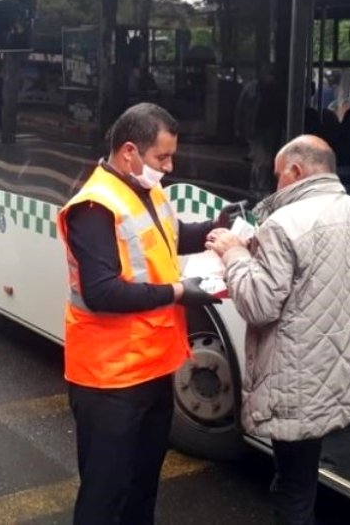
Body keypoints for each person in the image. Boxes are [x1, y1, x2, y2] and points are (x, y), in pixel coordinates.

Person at [206, 135, 350, 525]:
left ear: (296, 170)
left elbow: (258, 305)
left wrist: (234, 253)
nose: (275, 184)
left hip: (298, 382)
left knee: (295, 490)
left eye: (277, 175)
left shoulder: (281, 225)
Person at [57, 102, 241, 525]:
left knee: (142, 487)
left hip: (152, 368)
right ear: (129, 152)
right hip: (109, 379)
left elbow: (168, 238)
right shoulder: (94, 207)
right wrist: (180, 292)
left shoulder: (146, 190)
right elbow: (102, 292)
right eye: (163, 157)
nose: (169, 166)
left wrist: (215, 228)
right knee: (106, 496)